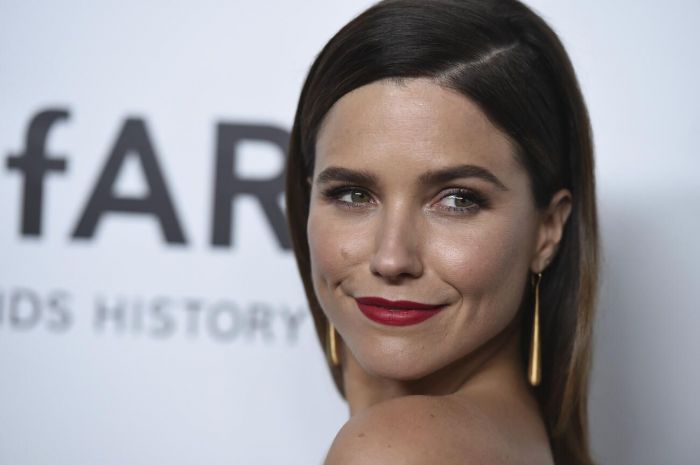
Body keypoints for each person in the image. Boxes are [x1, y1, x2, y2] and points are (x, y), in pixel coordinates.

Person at [285, 0, 598, 464]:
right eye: (353, 194)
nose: (392, 258)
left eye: (457, 200)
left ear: (548, 230)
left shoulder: (398, 449)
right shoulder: (518, 439)